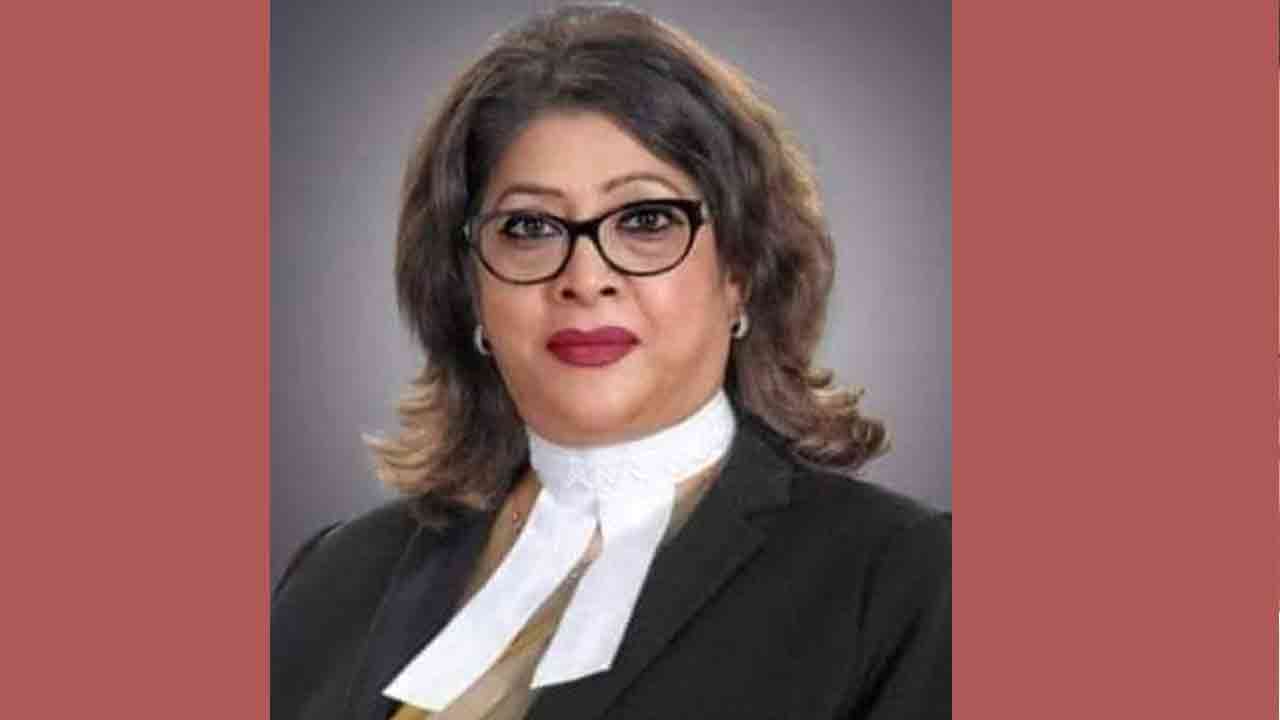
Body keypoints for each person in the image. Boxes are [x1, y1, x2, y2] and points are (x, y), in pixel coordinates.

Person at [271, 4, 950, 719]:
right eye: (528, 227)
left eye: (646, 220)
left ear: (741, 271)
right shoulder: (337, 574)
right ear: (468, 287)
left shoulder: (899, 579)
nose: (586, 277)